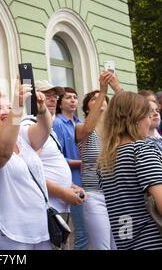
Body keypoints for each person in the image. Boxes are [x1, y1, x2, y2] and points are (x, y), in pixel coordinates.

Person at [98, 91, 162, 250]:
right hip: (156, 242)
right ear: (136, 118)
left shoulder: (105, 160)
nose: (149, 121)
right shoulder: (142, 150)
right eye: (147, 115)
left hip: (127, 243)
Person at [0, 81, 53, 250]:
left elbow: (45, 129)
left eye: (9, 107)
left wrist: (42, 110)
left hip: (39, 229)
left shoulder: (22, 136)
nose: (6, 112)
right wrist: (17, 108)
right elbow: (2, 152)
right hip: (7, 232)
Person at [21, 81, 84, 249]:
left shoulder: (49, 129)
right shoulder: (29, 126)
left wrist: (70, 186)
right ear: (33, 98)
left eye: (54, 96)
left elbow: (47, 167)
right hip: (48, 208)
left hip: (59, 206)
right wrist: (63, 192)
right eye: (46, 95)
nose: (52, 100)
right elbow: (31, 173)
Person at [75, 71, 120, 250]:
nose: (100, 101)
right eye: (93, 99)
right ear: (87, 109)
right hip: (95, 195)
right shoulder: (81, 128)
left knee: (122, 245)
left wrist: (116, 88)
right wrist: (102, 91)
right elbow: (87, 127)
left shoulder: (117, 132)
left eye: (103, 99)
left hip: (119, 196)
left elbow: (132, 111)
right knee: (103, 247)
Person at [53, 87, 88, 250]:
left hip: (88, 180)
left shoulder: (81, 123)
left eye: (75, 97)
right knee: (81, 232)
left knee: (88, 230)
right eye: (68, 97)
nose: (73, 100)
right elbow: (56, 157)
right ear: (60, 103)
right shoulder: (57, 123)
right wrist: (83, 162)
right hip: (72, 181)